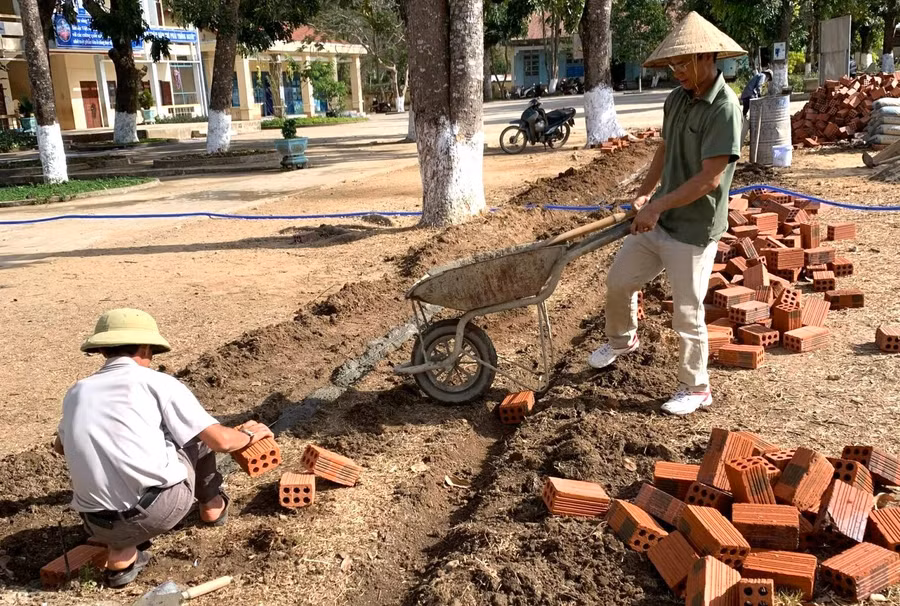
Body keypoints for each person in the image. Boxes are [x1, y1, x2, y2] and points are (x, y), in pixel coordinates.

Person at [587, 12, 744, 416]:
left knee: (687, 314)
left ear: (708, 58)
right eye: (673, 65)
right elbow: (662, 150)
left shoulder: (724, 108)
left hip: (694, 229)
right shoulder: (676, 99)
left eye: (683, 64)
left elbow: (710, 179)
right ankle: (622, 340)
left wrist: (656, 206)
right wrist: (643, 196)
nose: (677, 72)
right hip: (661, 218)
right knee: (619, 281)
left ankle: (696, 388)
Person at [53, 308, 274, 587]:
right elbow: (220, 441)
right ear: (147, 347)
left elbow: (61, 447)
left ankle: (121, 555)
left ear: (103, 350)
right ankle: (212, 506)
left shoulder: (77, 392)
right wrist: (249, 435)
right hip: (156, 513)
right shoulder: (157, 383)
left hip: (96, 523)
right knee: (191, 434)